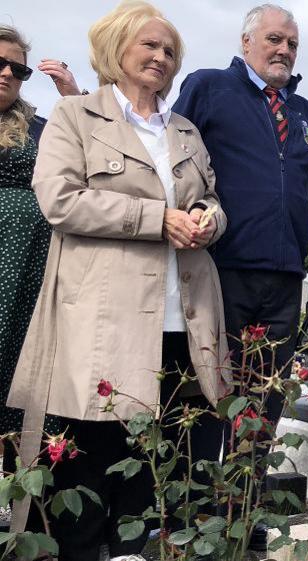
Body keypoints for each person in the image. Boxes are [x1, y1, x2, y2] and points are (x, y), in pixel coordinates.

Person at [6, 2, 229, 556]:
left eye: (170, 50)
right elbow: (59, 201)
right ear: (116, 49)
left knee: (152, 473)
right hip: (104, 324)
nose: (161, 56)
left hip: (184, 321)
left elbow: (212, 201)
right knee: (90, 464)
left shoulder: (184, 130)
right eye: (149, 45)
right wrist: (156, 220)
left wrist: (208, 220)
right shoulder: (75, 116)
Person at [172, 4, 308, 439]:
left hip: (286, 271)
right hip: (223, 264)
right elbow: (178, 159)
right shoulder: (209, 86)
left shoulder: (305, 110)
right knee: (211, 387)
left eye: (292, 44)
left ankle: (247, 496)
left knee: (267, 393)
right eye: (274, 39)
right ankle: (200, 501)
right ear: (246, 42)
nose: (285, 50)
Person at [0, 25, 81, 477]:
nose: (8, 74)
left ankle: (28, 501)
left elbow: (90, 147)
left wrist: (71, 94)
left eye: (19, 68)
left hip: (34, 268)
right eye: (0, 63)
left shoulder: (40, 126)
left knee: (27, 375)